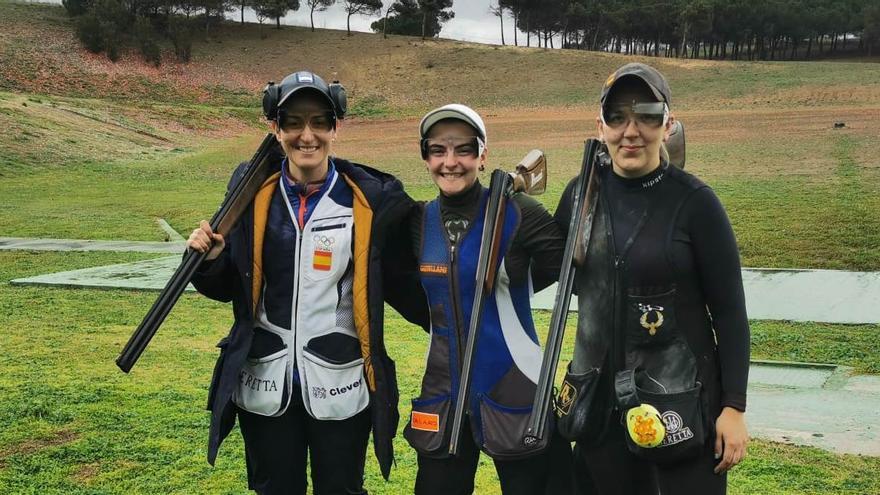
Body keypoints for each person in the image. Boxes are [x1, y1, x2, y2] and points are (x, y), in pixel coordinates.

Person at [186, 70, 426, 495]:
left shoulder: (370, 197)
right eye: (293, 122)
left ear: (336, 127)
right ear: (274, 128)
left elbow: (416, 264)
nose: (307, 135)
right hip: (264, 383)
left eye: (319, 121)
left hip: (341, 383)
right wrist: (212, 259)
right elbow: (229, 288)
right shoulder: (252, 190)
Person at [554, 63, 750, 495]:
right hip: (598, 411)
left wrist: (733, 408)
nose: (631, 130)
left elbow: (731, 314)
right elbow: (539, 270)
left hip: (682, 410)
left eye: (646, 115)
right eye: (618, 116)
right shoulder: (579, 195)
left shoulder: (696, 203)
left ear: (668, 123)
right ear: (599, 125)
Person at [402, 103, 572, 495]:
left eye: (464, 149)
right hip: (443, 391)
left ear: (483, 156)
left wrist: (512, 285)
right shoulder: (418, 221)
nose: (451, 161)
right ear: (425, 157)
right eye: (438, 150)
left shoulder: (519, 212)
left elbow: (561, 269)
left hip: (517, 385)